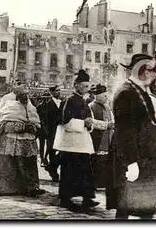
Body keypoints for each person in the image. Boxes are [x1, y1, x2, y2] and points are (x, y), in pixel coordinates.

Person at [107, 54, 156, 219]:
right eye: (152, 70)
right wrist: (131, 162)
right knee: (125, 208)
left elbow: (147, 123)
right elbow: (125, 131)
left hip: (146, 159)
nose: (155, 74)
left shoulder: (140, 91)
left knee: (145, 209)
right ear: (142, 70)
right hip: (134, 161)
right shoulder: (126, 92)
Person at [54, 70, 99, 212]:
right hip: (71, 143)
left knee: (85, 170)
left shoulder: (84, 101)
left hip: (82, 142)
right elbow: (63, 121)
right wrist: (83, 123)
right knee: (69, 171)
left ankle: (87, 197)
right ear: (76, 85)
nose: (87, 89)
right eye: (85, 86)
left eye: (88, 86)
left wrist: (90, 123)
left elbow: (87, 120)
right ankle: (65, 198)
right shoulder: (69, 100)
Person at [0, 84, 46, 197]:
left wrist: (33, 127)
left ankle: (31, 188)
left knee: (29, 164)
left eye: (26, 95)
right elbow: (4, 123)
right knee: (6, 164)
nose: (25, 97)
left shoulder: (31, 108)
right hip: (11, 141)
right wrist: (20, 126)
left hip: (28, 141)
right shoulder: (10, 106)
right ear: (18, 96)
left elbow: (36, 123)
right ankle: (2, 188)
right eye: (23, 95)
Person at [88, 84, 115, 190]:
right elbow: (91, 122)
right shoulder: (91, 106)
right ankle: (96, 182)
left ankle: (104, 182)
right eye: (104, 96)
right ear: (98, 96)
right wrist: (105, 125)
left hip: (108, 137)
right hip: (97, 137)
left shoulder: (107, 107)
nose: (106, 98)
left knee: (106, 160)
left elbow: (112, 119)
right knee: (97, 160)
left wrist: (113, 124)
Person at [37, 86, 64, 182]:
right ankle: (54, 172)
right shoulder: (47, 104)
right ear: (52, 92)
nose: (59, 92)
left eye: (59, 91)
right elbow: (45, 119)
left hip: (60, 131)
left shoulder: (62, 102)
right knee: (52, 151)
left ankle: (51, 168)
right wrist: (47, 130)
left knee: (59, 152)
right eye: (57, 91)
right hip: (51, 132)